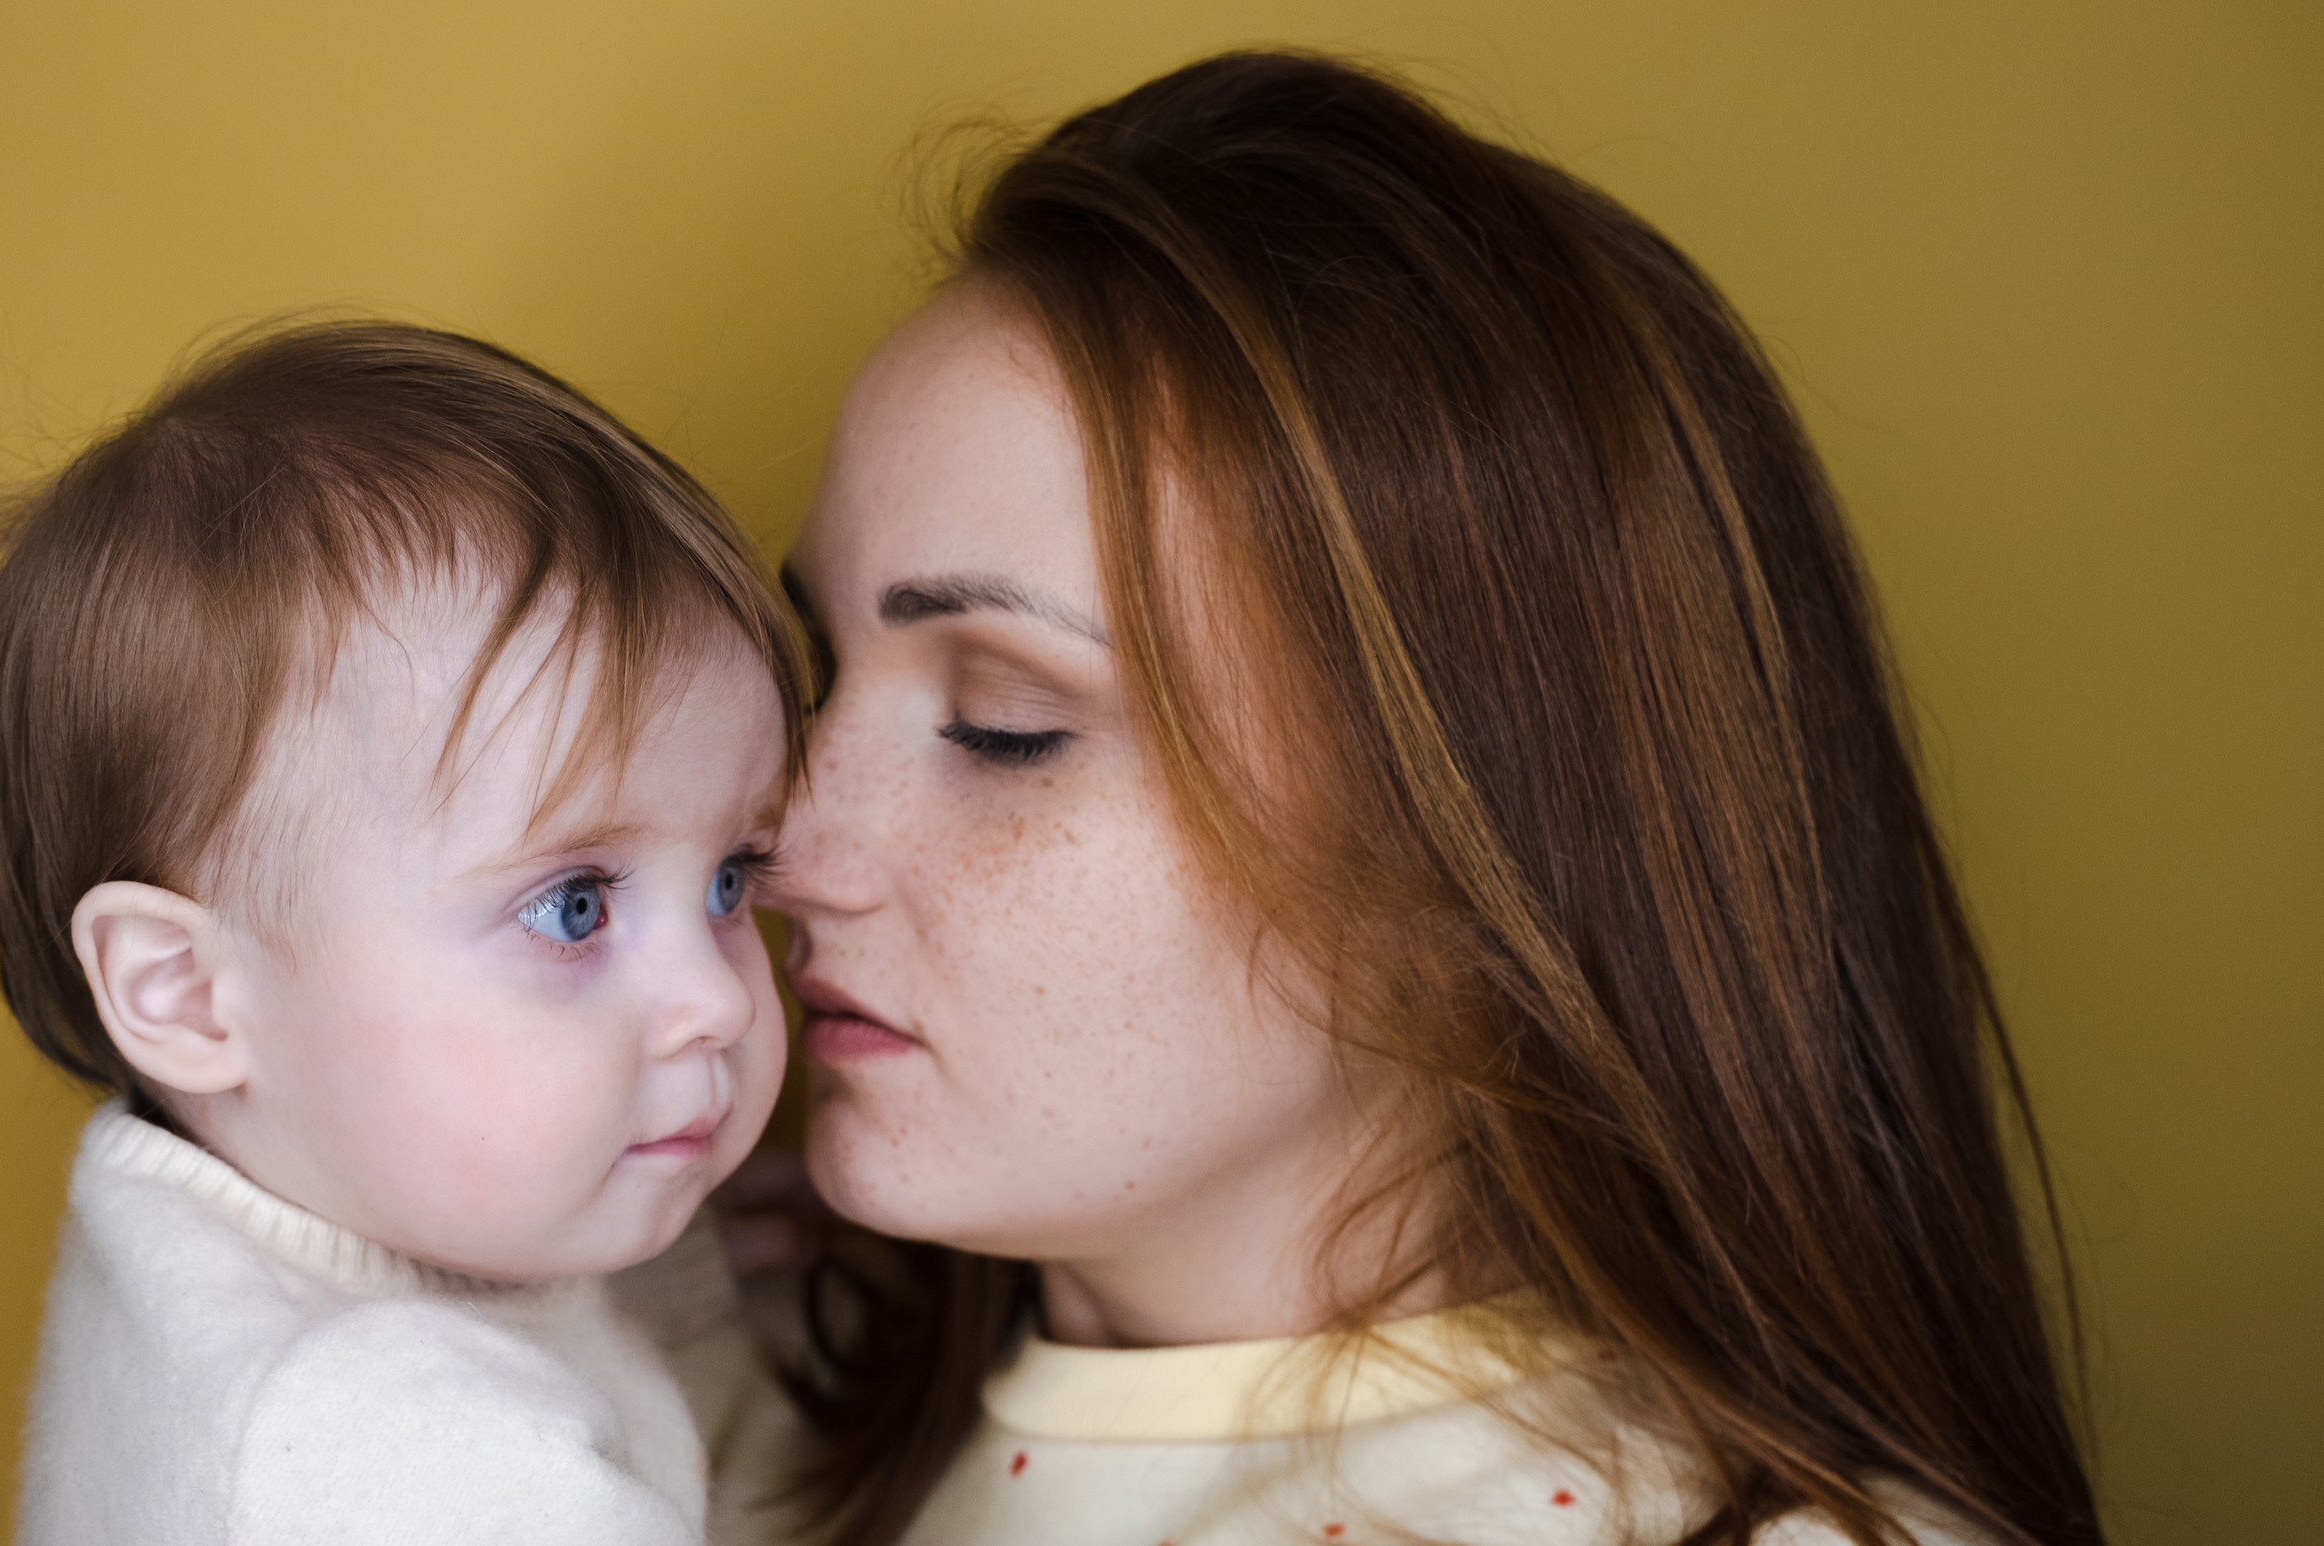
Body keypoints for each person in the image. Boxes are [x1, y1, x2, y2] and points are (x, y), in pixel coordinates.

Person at [733, 50, 2103, 1546]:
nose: (782, 843)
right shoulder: (632, 1415)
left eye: (1007, 724)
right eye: (813, 669)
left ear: (1473, 861)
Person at [0, 320, 806, 1544]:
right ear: (184, 993)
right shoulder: (435, 1466)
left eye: (729, 879)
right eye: (575, 907)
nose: (720, 997)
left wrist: (639, 1287)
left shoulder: (183, 1234)